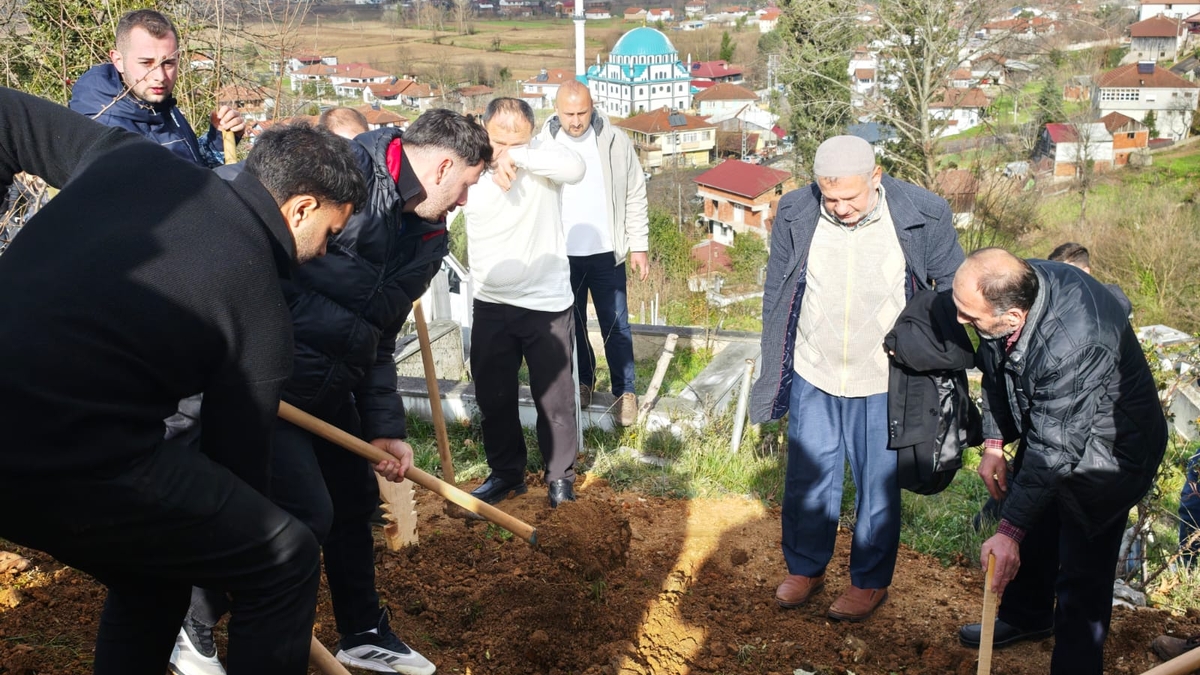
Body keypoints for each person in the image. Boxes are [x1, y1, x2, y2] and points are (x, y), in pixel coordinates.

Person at [0, 86, 367, 675]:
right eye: (330, 233)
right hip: (64, 458)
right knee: (285, 556)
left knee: (156, 569)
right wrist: (240, 579)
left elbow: (7, 114)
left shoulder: (133, 158)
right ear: (301, 208)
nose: (325, 252)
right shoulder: (260, 309)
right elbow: (236, 479)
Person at [170, 108, 492, 675]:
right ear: (443, 167)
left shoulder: (427, 238)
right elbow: (242, 225)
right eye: (466, 185)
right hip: (264, 383)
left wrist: (384, 428)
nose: (464, 201)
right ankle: (191, 625)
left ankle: (362, 633)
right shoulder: (344, 176)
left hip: (330, 389)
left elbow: (378, 337)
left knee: (351, 503)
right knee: (304, 512)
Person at [750, 135, 964, 622]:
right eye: (830, 198)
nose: (840, 207)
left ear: (876, 177)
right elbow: (777, 290)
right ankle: (805, 568)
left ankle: (869, 581)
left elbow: (953, 284)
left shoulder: (924, 213)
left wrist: (923, 345)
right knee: (808, 476)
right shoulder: (795, 212)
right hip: (814, 367)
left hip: (884, 376)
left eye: (850, 197)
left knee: (878, 484)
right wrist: (775, 363)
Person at [953, 248, 1167, 674]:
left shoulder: (1077, 339)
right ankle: (1027, 616)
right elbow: (996, 368)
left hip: (1111, 451)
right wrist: (994, 442)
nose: (960, 320)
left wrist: (1007, 532)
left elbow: (1055, 450)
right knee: (1036, 522)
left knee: (1083, 565)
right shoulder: (1016, 286)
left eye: (969, 316)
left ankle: (1076, 664)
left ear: (1013, 317)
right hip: (1058, 423)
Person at [462, 98, 585, 508]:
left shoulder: (544, 160)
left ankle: (560, 479)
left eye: (518, 141)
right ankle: (506, 475)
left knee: (555, 401)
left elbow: (576, 168)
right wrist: (491, 159)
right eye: (498, 140)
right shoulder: (471, 170)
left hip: (547, 304)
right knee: (493, 397)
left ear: (531, 137)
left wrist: (518, 156)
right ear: (483, 131)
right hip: (491, 303)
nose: (506, 149)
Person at [539, 80, 649, 426]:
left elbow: (635, 192)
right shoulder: (543, 145)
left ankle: (625, 392)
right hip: (562, 255)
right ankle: (583, 382)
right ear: (556, 110)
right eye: (569, 114)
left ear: (593, 106)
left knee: (616, 326)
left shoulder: (615, 141)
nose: (576, 121)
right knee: (571, 326)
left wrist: (639, 244)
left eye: (582, 113)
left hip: (606, 252)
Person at [69, 9, 244, 167]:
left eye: (168, 63)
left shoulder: (157, 105)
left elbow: (191, 167)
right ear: (118, 61)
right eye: (146, 63)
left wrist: (218, 140)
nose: (160, 76)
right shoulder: (104, 132)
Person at [1047, 242, 1133, 318]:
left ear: (1086, 271)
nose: (1061, 281)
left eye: (1067, 274)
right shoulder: (1056, 304)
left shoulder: (1110, 298)